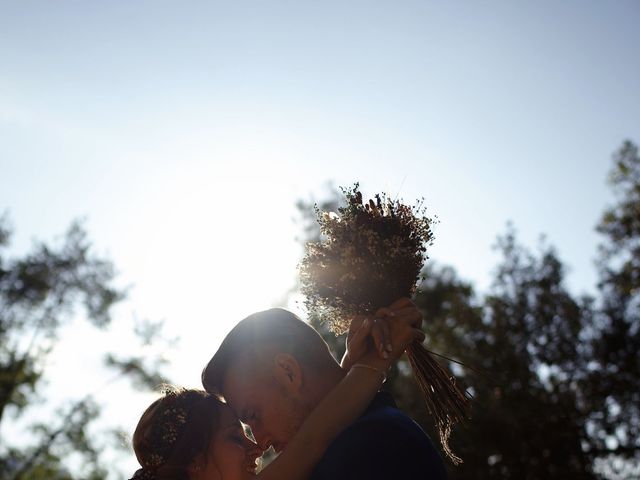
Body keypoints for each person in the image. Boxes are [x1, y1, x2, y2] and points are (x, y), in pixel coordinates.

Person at [131, 298, 427, 479]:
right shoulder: (350, 447)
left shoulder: (370, 446)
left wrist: (353, 367)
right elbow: (312, 440)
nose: (258, 444)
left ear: (288, 372)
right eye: (238, 434)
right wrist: (374, 362)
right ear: (195, 463)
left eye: (253, 416)